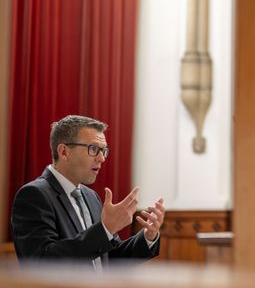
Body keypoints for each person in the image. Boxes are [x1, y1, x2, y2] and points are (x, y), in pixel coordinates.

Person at [11, 115, 165, 268]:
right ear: (64, 152)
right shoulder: (34, 195)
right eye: (93, 149)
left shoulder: (91, 197)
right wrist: (106, 229)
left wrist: (147, 236)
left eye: (103, 151)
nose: (101, 158)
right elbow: (43, 262)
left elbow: (110, 256)